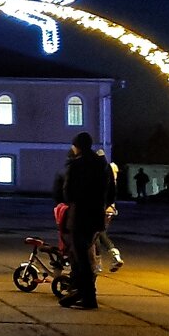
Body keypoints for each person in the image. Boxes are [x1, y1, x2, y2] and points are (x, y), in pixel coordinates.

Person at [59, 132, 115, 310]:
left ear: (78, 146)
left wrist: (73, 200)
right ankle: (83, 293)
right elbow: (111, 190)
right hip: (96, 215)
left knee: (81, 257)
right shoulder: (102, 164)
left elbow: (67, 193)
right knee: (86, 256)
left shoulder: (76, 165)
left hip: (80, 215)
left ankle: (88, 297)